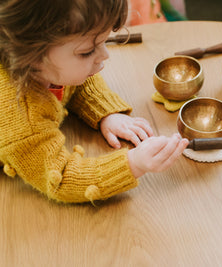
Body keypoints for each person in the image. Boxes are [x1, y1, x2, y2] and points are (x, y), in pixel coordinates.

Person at [0, 0, 189, 203]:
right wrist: (133, 163)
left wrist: (106, 112)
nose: (105, 56)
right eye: (87, 52)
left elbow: (77, 83)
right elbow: (61, 177)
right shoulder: (20, 116)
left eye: (104, 42)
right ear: (31, 54)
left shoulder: (44, 64)